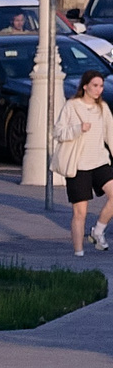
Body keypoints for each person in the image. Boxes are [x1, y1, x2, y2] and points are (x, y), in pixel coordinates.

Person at [55, 68, 113, 253]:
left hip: (99, 162)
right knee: (80, 213)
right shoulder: (72, 106)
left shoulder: (102, 109)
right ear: (85, 86)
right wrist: (78, 128)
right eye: (95, 86)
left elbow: (111, 136)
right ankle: (78, 253)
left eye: (101, 86)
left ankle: (99, 230)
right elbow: (58, 132)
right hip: (78, 165)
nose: (99, 90)